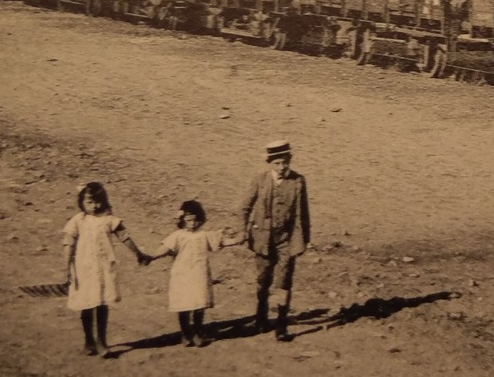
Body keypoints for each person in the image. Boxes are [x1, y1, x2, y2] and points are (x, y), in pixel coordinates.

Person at [60, 181, 148, 358]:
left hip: (104, 268)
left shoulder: (109, 220)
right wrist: (66, 269)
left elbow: (125, 237)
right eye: (89, 202)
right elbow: (68, 244)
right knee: (86, 304)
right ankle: (89, 341)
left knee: (101, 303)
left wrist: (139, 253)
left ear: (104, 201)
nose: (94, 206)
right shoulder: (78, 220)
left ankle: (102, 340)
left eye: (98, 201)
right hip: (84, 268)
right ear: (82, 203)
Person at [139, 200, 244, 347]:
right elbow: (166, 248)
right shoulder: (178, 236)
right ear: (182, 220)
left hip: (199, 274)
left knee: (199, 303)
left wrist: (237, 240)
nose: (192, 223)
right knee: (184, 305)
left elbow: (222, 242)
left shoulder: (205, 235)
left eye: (195, 220)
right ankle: (186, 333)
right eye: (188, 220)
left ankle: (197, 331)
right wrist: (151, 257)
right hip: (182, 274)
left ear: (200, 219)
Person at [239, 140, 311, 341]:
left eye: (285, 162)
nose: (281, 167)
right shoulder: (260, 180)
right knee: (263, 281)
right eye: (277, 163)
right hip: (262, 239)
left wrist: (302, 241)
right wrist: (243, 231)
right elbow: (244, 207)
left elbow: (302, 213)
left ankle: (281, 324)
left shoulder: (298, 181)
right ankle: (261, 318)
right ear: (269, 163)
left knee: (283, 281)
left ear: (290, 161)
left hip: (286, 240)